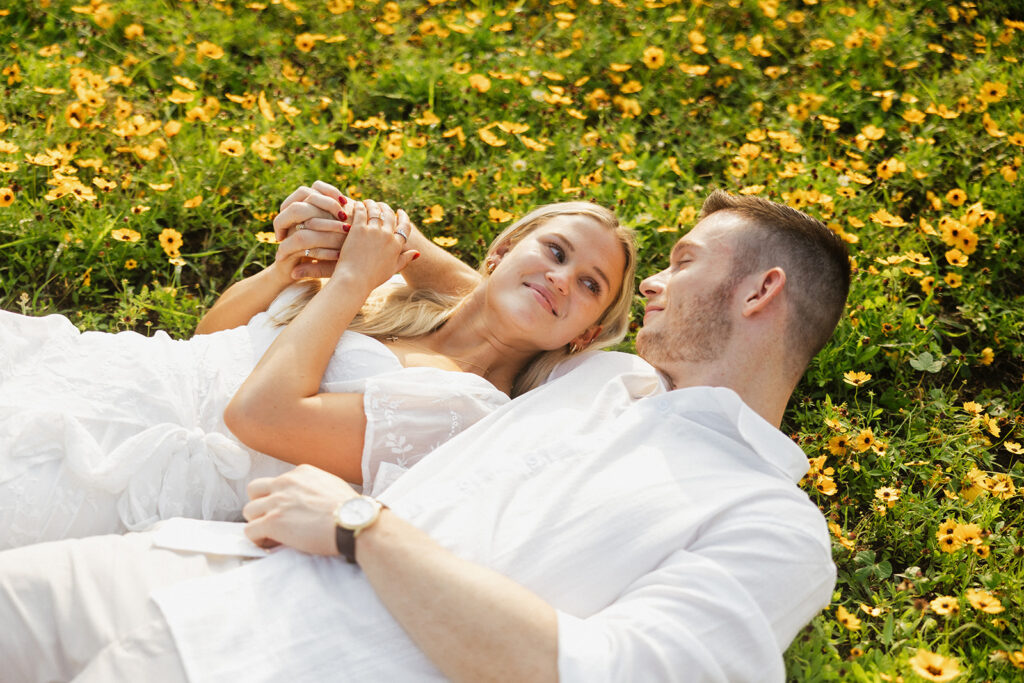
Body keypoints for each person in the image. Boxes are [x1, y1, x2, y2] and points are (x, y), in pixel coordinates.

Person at [0, 190, 851, 682]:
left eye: (685, 261)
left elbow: (614, 673)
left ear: (758, 291)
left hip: (282, 661)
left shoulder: (771, 522)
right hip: (192, 566)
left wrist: (365, 529)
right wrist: (361, 236)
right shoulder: (606, 377)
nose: (657, 285)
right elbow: (502, 300)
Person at [0, 193, 636, 549]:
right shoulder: (403, 303)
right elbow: (214, 340)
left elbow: (258, 416)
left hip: (133, 467)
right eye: (554, 250)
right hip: (118, 370)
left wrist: (354, 278)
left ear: (583, 335)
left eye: (588, 284)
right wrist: (290, 272)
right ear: (500, 251)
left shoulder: (461, 409)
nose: (560, 277)